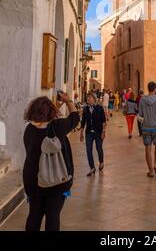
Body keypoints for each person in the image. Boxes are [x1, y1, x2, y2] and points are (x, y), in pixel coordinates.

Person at [23, 94, 79, 231]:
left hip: (34, 180)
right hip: (56, 181)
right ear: (51, 112)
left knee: (34, 216)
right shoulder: (57, 127)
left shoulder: (29, 130)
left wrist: (54, 107)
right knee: (53, 217)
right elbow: (75, 118)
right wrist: (67, 101)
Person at [138, 82, 156, 178]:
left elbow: (140, 114)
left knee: (147, 149)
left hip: (146, 127)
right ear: (155, 89)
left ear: (148, 89)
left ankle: (151, 171)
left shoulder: (142, 99)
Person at [80, 93, 107, 176]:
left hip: (98, 132)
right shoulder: (85, 109)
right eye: (87, 97)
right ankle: (92, 168)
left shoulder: (99, 108)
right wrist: (81, 133)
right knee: (88, 150)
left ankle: (101, 162)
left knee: (99, 148)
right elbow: (83, 121)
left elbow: (104, 121)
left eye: (90, 97)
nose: (88, 99)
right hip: (89, 133)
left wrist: (103, 132)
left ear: (94, 99)